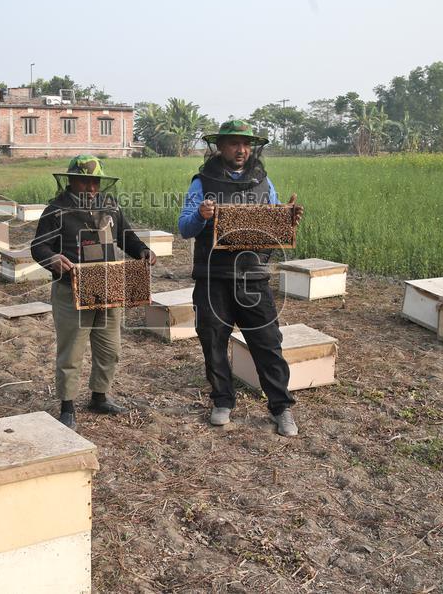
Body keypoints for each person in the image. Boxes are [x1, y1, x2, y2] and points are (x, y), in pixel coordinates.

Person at [177, 120, 304, 436]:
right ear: (220, 147)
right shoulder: (202, 182)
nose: (241, 150)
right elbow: (184, 228)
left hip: (253, 276)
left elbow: (273, 224)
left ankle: (281, 407)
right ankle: (222, 401)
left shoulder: (264, 181)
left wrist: (287, 218)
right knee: (213, 341)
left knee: (268, 343)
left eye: (246, 144)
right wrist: (200, 216)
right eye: (234, 143)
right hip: (213, 276)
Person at [31, 155, 156, 430]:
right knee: (71, 352)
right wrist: (52, 260)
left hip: (109, 287)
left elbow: (126, 236)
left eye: (94, 183)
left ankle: (100, 396)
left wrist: (143, 250)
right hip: (71, 288)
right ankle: (67, 406)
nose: (90, 188)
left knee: (110, 349)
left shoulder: (110, 206)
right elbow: (39, 247)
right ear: (71, 180)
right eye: (84, 182)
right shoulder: (56, 210)